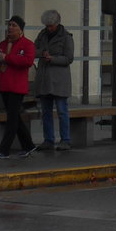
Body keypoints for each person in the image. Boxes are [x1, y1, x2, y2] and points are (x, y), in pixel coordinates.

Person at [34, 9, 75, 151]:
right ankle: (48, 140)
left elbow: (69, 58)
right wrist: (42, 53)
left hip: (59, 80)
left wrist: (52, 59)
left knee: (62, 111)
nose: (49, 28)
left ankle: (65, 140)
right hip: (45, 79)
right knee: (46, 112)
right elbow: (33, 50)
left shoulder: (66, 37)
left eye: (51, 26)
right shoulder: (42, 34)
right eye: (47, 26)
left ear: (57, 24)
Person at [0, 15, 37, 159]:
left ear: (20, 29)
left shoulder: (27, 44)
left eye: (14, 25)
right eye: (9, 25)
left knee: (12, 119)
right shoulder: (3, 44)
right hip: (4, 84)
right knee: (15, 117)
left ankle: (4, 150)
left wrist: (7, 58)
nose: (10, 28)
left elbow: (27, 61)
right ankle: (28, 145)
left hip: (17, 86)